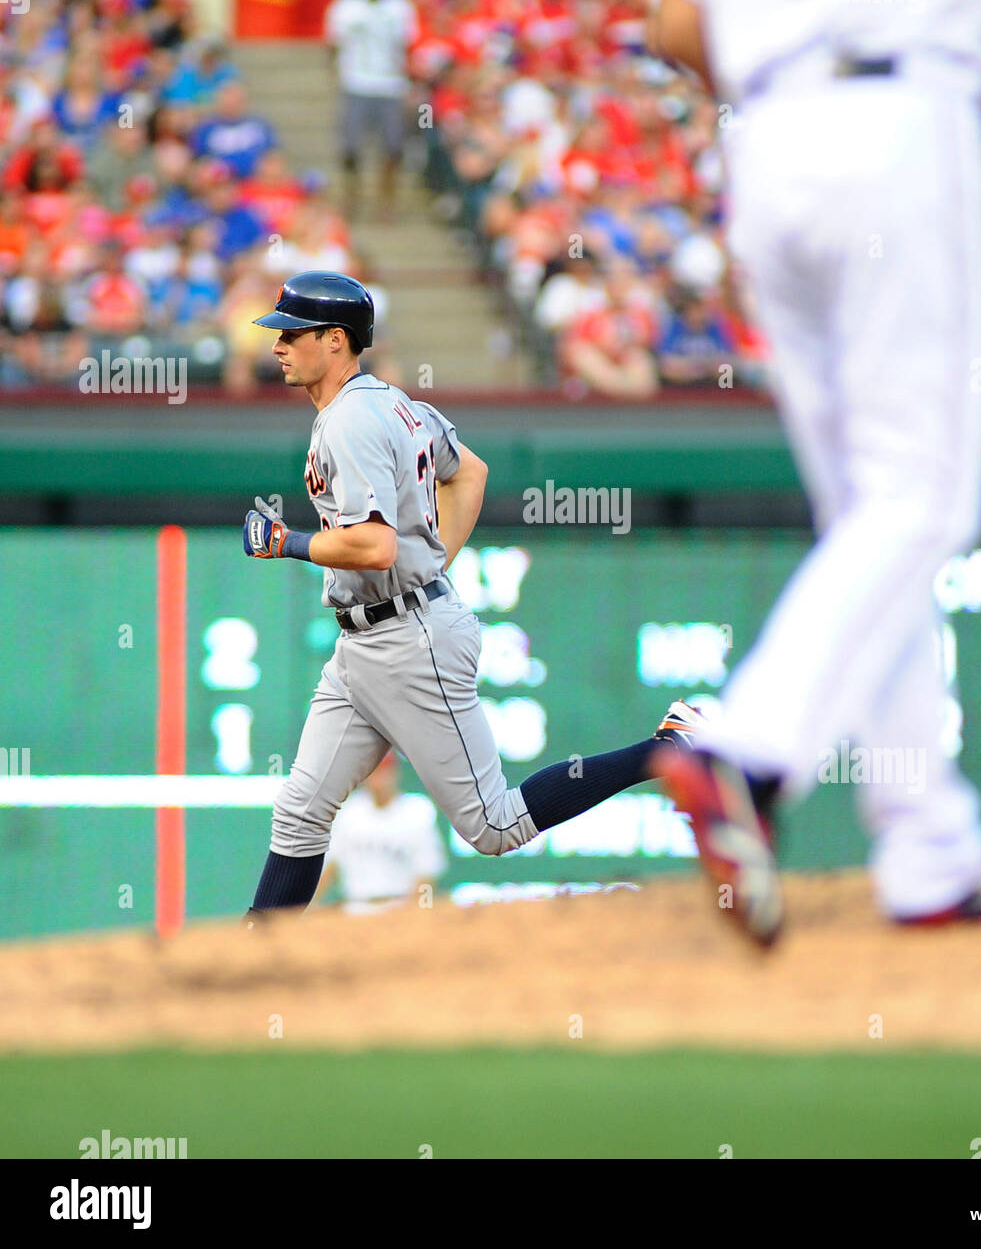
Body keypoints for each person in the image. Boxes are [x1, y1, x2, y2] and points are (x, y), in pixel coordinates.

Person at [633, 0, 981, 945]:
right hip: (906, 121)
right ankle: (744, 752)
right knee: (923, 501)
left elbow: (674, 18)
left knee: (870, 512)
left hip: (773, 144)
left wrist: (785, 93)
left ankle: (928, 842)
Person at [240, 271, 703, 920]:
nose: (278, 345)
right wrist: (429, 566)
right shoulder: (396, 404)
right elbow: (470, 473)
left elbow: (373, 546)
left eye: (292, 333)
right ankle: (253, 961)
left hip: (407, 639)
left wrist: (283, 541)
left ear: (336, 340)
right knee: (299, 813)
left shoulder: (348, 420)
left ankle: (667, 748)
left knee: (494, 826)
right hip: (371, 639)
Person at [323, 0, 417, 220]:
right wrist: (335, 73)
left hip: (390, 84)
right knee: (350, 146)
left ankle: (386, 201)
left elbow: (407, 45)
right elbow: (333, 43)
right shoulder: (345, 7)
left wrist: (410, 82)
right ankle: (351, 195)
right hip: (356, 82)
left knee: (393, 147)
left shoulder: (400, 7)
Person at [313, 754, 448, 914]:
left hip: (399, 910)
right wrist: (308, 905)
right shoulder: (348, 812)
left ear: (395, 772)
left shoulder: (416, 811)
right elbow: (329, 868)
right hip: (355, 910)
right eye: (374, 771)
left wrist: (413, 912)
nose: (379, 777)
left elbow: (427, 874)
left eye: (385, 769)